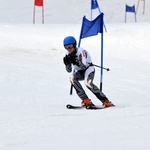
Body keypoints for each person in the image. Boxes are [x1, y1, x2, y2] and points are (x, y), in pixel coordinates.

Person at [63, 36, 114, 107]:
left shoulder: (81, 51)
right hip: (80, 72)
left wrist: (76, 61)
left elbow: (83, 65)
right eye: (66, 47)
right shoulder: (67, 54)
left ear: (74, 45)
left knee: (88, 83)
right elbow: (69, 70)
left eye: (70, 46)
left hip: (88, 69)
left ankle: (105, 101)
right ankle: (85, 100)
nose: (69, 49)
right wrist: (67, 64)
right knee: (72, 77)